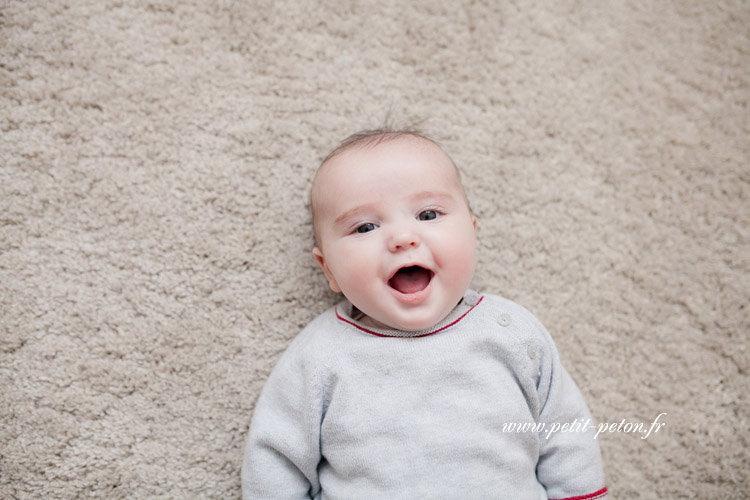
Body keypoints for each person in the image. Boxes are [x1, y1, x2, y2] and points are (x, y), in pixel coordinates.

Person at [241, 129, 608, 500]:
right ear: (329, 270)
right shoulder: (320, 356)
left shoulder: (511, 333)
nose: (403, 237)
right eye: (365, 227)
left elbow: (565, 432)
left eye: (428, 214)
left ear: (472, 233)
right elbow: (275, 459)